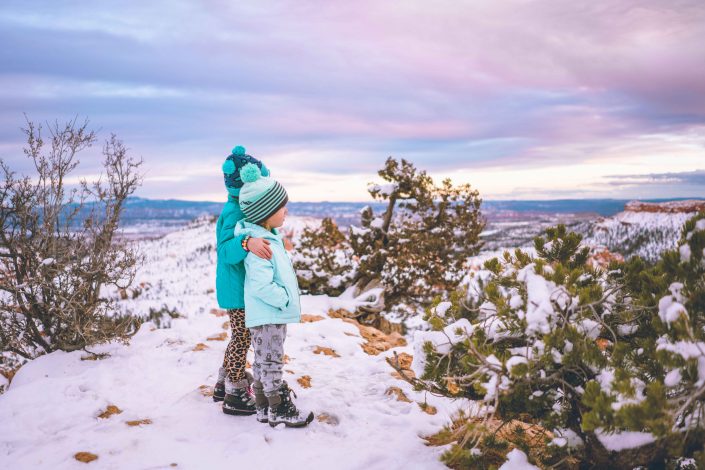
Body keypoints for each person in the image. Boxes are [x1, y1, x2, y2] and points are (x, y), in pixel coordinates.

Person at [234, 162, 314, 428]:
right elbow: (261, 285)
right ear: (266, 213)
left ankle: (263, 407)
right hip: (269, 312)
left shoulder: (267, 236)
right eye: (282, 207)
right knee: (271, 362)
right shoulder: (262, 245)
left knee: (263, 361)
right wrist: (284, 299)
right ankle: (279, 409)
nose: (286, 211)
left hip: (268, 313)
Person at [213, 145, 273, 416]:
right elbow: (226, 251)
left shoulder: (236, 206)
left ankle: (223, 381)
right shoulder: (235, 211)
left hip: (238, 287)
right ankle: (235, 391)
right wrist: (247, 242)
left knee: (239, 336)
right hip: (236, 290)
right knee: (242, 337)